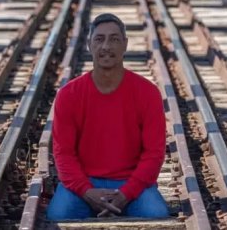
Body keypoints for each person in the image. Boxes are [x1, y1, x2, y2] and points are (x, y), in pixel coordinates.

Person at [47, 13, 169, 220]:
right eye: (99, 39)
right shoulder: (69, 95)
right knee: (58, 215)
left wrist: (126, 194)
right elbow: (63, 153)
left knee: (156, 214)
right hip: (84, 184)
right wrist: (86, 191)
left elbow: (154, 154)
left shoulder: (147, 93)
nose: (106, 46)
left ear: (125, 45)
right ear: (89, 44)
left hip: (131, 184)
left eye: (114, 39)